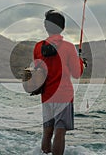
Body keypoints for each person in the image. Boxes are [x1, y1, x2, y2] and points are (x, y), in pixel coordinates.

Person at [33, 10, 84, 155]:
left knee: (47, 132)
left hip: (46, 96)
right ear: (62, 27)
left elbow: (38, 69)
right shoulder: (68, 47)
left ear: (46, 26)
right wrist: (81, 62)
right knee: (60, 133)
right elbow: (76, 73)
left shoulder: (38, 47)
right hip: (64, 96)